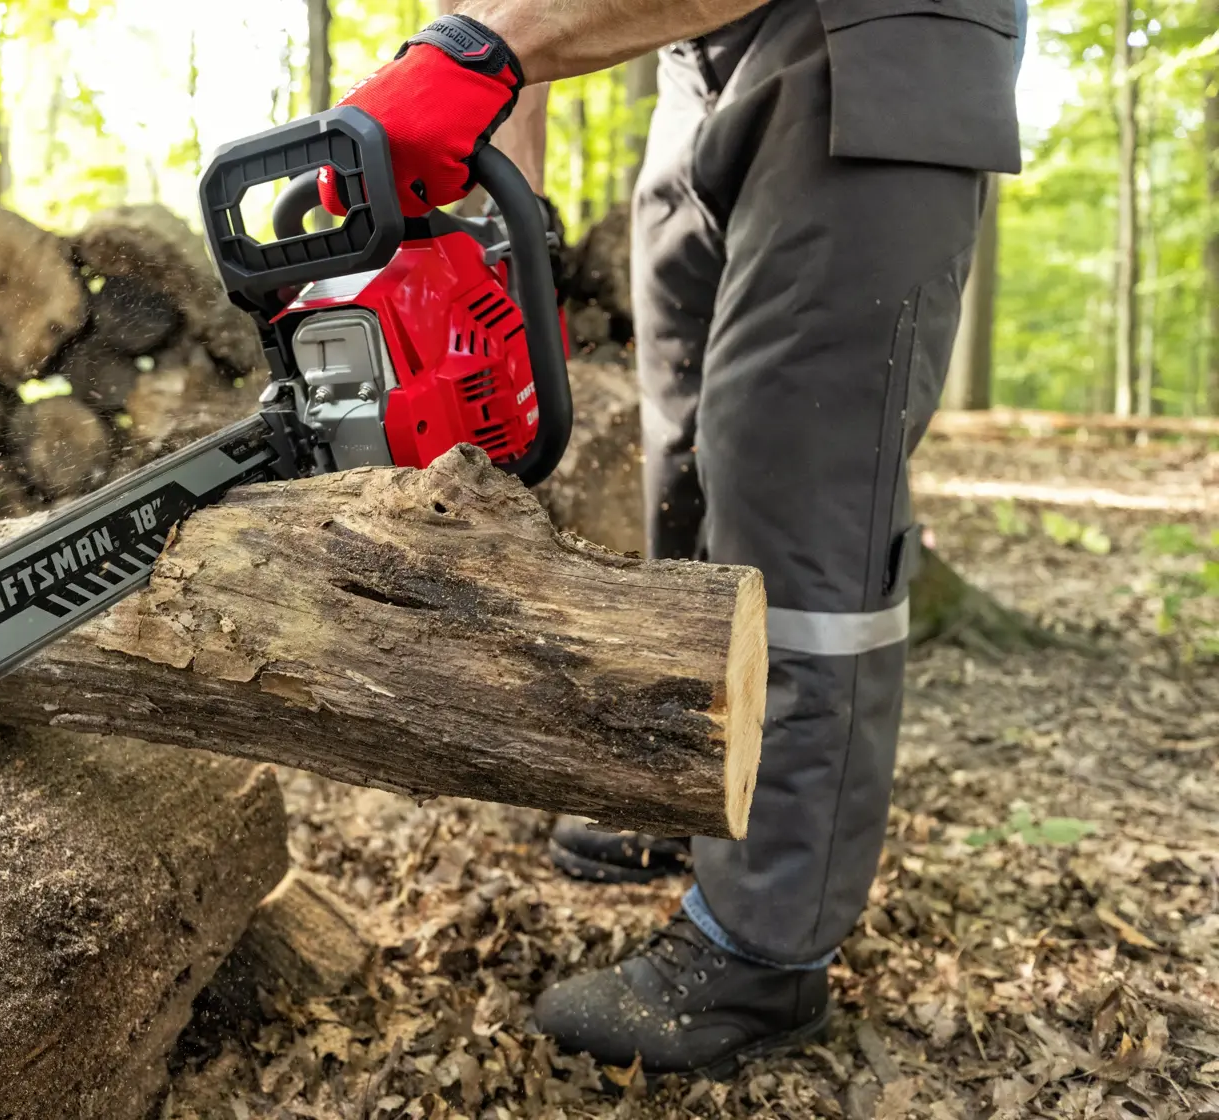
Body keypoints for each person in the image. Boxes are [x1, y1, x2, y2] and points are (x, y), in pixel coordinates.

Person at [320, 0, 1025, 1078]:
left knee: (800, 477)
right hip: (696, 53)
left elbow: (498, 38)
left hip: (881, 33)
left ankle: (767, 946)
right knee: (689, 458)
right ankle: (693, 794)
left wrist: (481, 50)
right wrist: (482, 154)